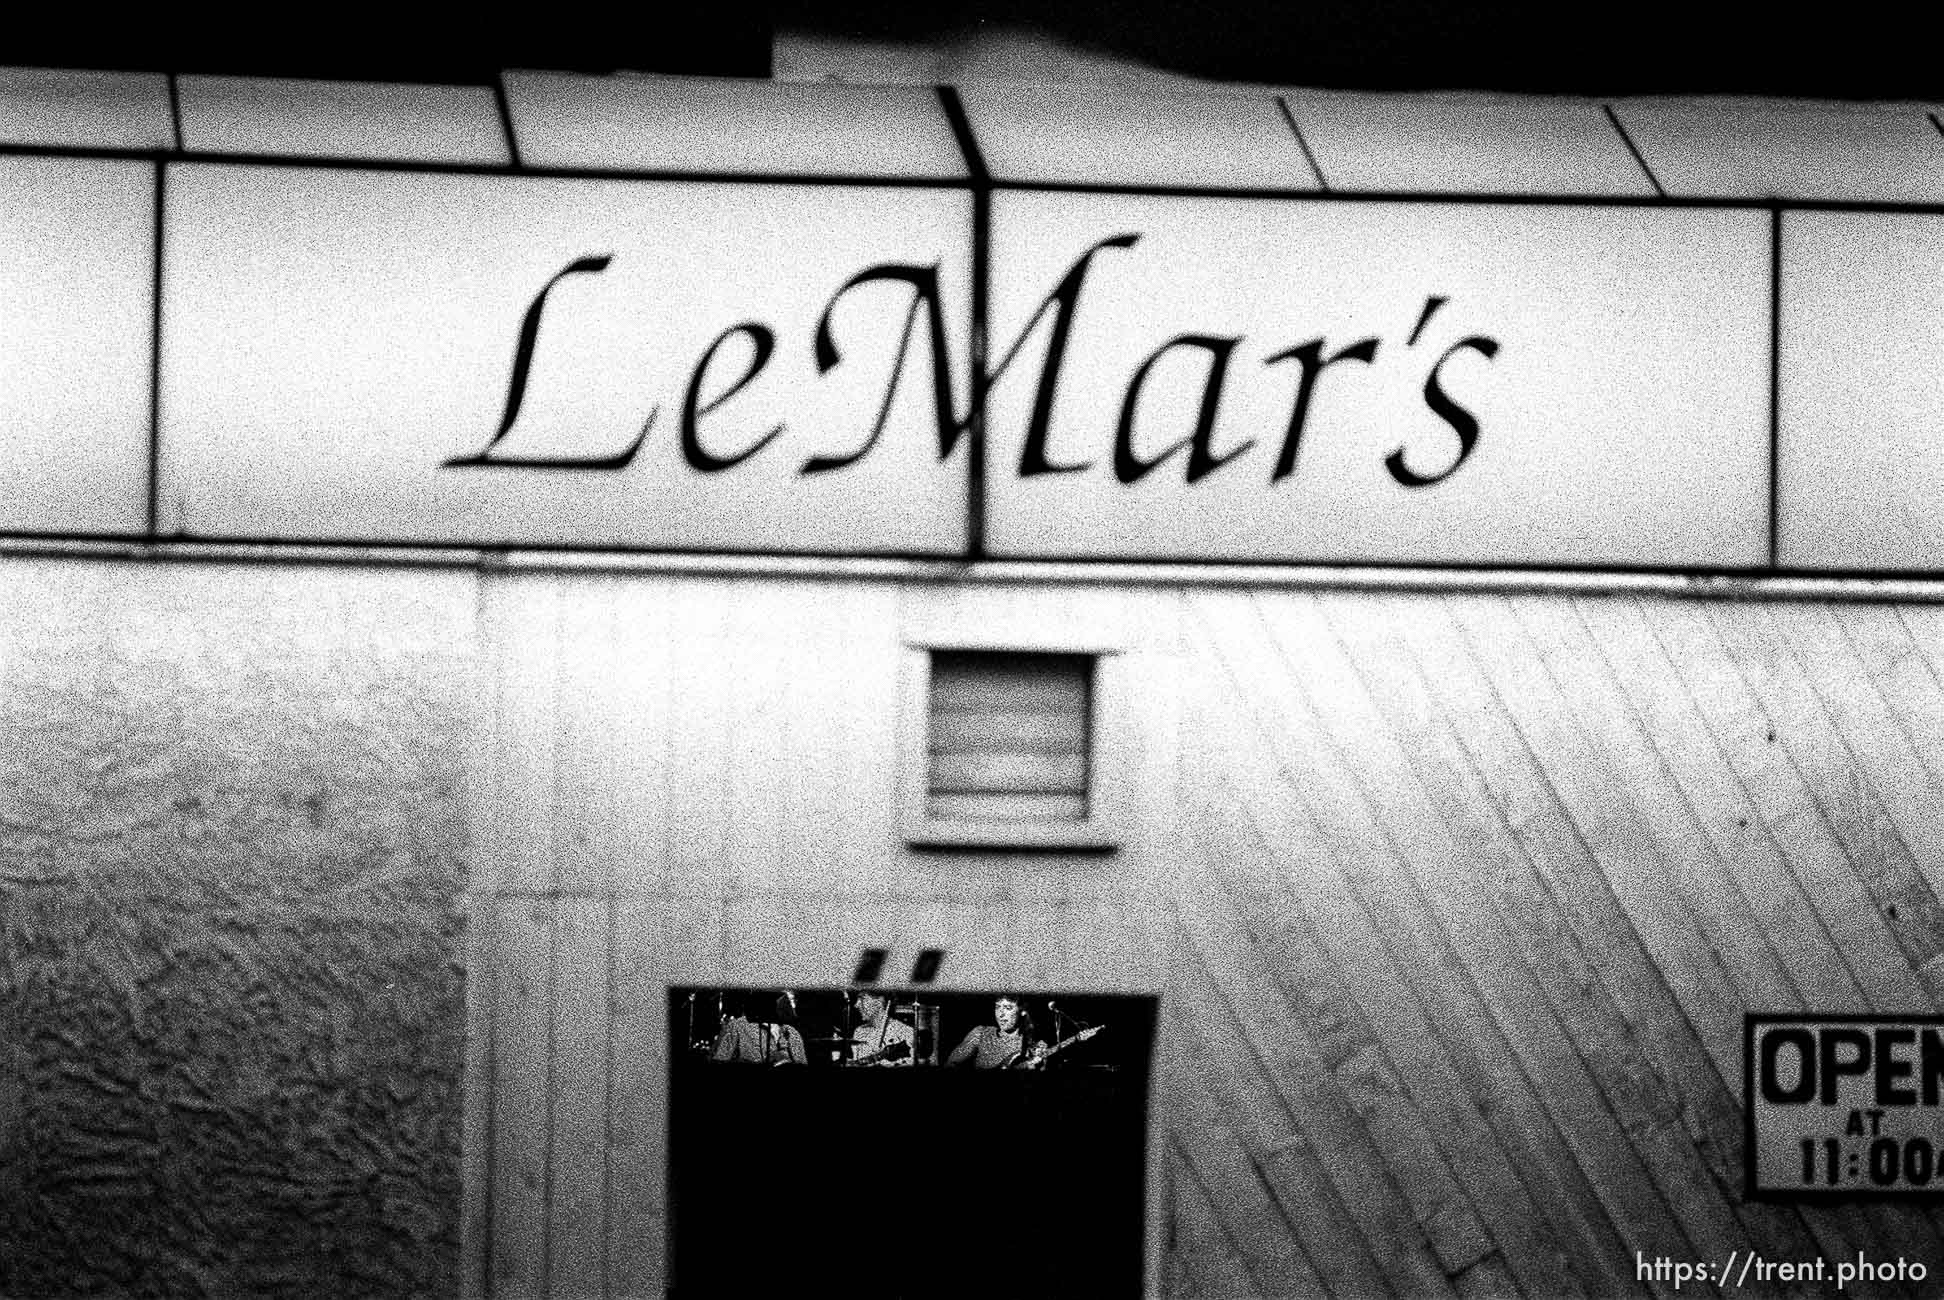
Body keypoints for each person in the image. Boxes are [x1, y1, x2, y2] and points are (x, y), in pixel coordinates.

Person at [946, 994, 1048, 1069]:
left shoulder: (1035, 1045)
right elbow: (951, 1063)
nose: (1000, 1014)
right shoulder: (981, 1033)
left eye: (1008, 1008)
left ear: (1023, 1011)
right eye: (997, 1007)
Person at [710, 990, 807, 1066]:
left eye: (792, 999)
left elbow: (801, 1066)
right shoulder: (737, 1026)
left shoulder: (791, 1032)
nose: (791, 1004)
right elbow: (719, 1060)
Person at [847, 989, 916, 1066]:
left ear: (879, 1001)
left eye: (862, 998)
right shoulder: (860, 1031)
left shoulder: (905, 1032)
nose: (856, 1004)